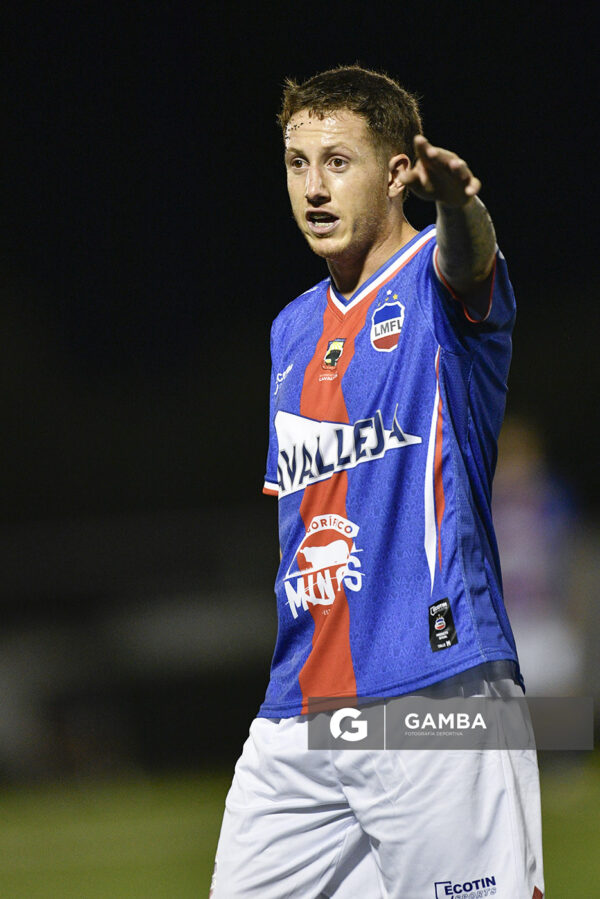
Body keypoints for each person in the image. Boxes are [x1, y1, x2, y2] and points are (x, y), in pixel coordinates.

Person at [211, 65, 544, 899]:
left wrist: (460, 205)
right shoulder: (291, 329)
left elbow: (471, 264)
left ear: (399, 171)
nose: (312, 189)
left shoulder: (438, 276)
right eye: (297, 163)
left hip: (434, 692)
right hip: (300, 712)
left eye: (337, 161)